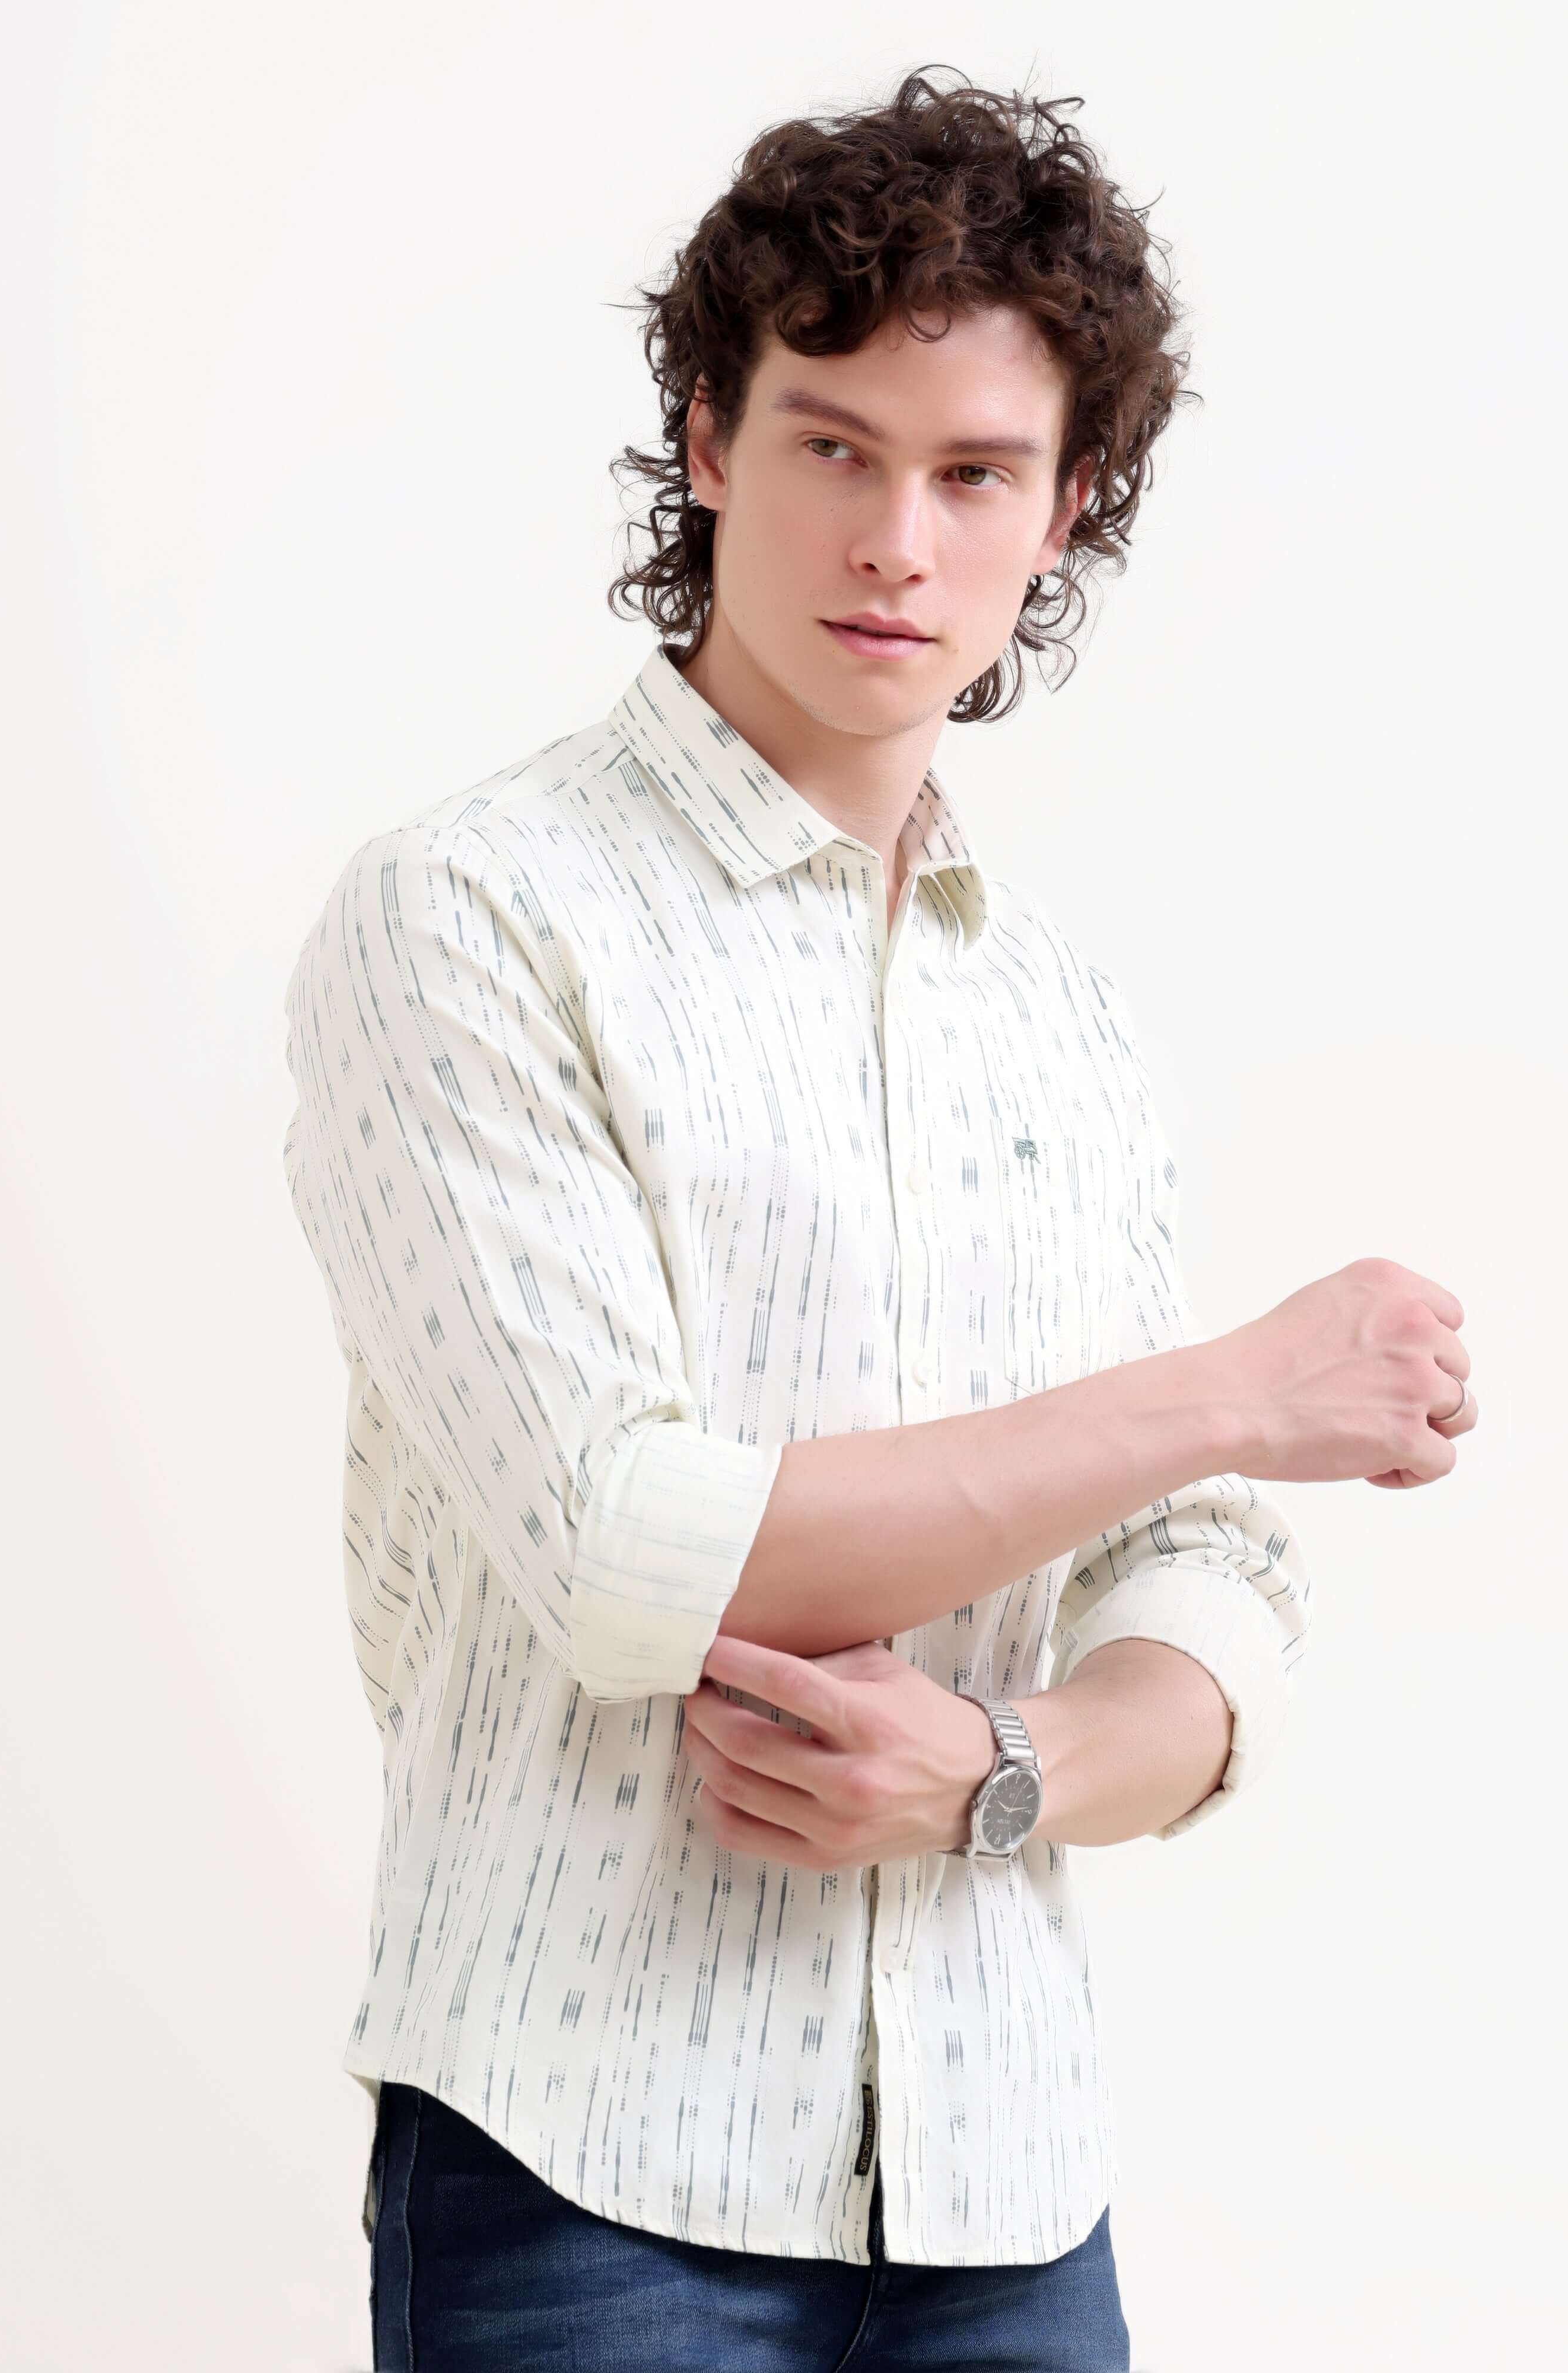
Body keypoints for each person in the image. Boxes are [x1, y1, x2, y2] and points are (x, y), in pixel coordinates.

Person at [280, 66, 1475, 2373]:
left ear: (1067, 507)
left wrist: (998, 1775)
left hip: (1012, 2190)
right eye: (834, 446)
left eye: (976, 474)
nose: (897, 544)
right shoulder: (472, 916)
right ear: (710, 441)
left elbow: (1210, 1584)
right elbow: (640, 1553)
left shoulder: (1063, 1017)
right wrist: (1240, 1388)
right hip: (587, 2174)